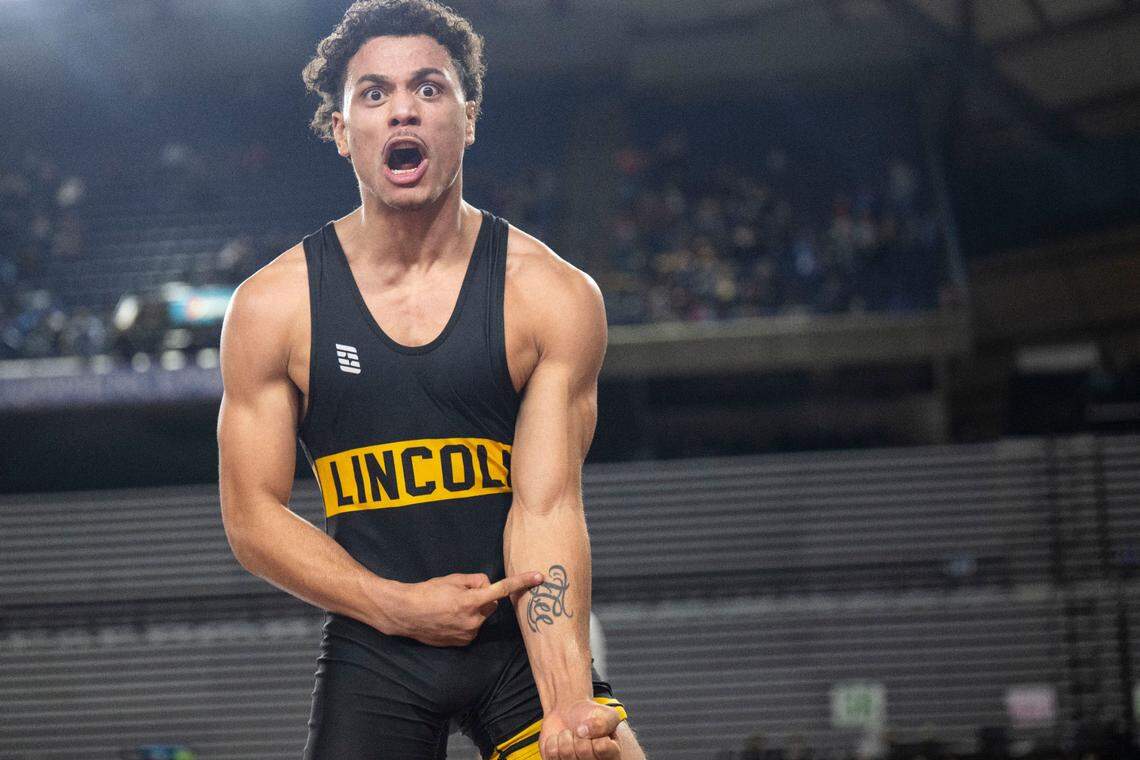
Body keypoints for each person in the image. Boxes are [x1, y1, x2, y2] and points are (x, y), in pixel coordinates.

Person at [215, 2, 647, 759]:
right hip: (377, 646)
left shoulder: (548, 296)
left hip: (518, 638)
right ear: (344, 130)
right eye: (374, 94)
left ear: (468, 117)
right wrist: (396, 607)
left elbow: (545, 511)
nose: (403, 108)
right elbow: (253, 516)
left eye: (429, 88)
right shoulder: (272, 307)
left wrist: (569, 702)